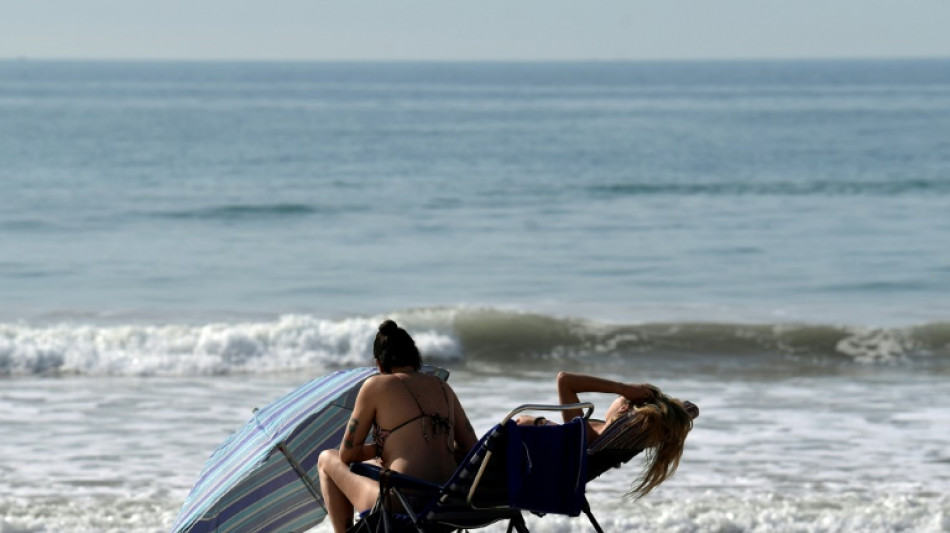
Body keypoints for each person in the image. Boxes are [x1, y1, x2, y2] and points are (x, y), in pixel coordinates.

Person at [318, 320, 478, 533]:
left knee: (327, 459)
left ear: (379, 364)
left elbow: (348, 454)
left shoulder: (375, 385)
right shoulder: (443, 387)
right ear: (415, 357)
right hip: (446, 500)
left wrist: (378, 448)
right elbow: (471, 448)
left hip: (403, 501)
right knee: (383, 467)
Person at [516, 371, 698, 498]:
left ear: (625, 407)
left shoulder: (585, 435)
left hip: (521, 480)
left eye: (617, 400)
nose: (614, 401)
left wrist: (623, 389)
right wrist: (654, 400)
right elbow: (691, 409)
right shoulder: (611, 440)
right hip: (544, 478)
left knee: (518, 423)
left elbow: (564, 379)